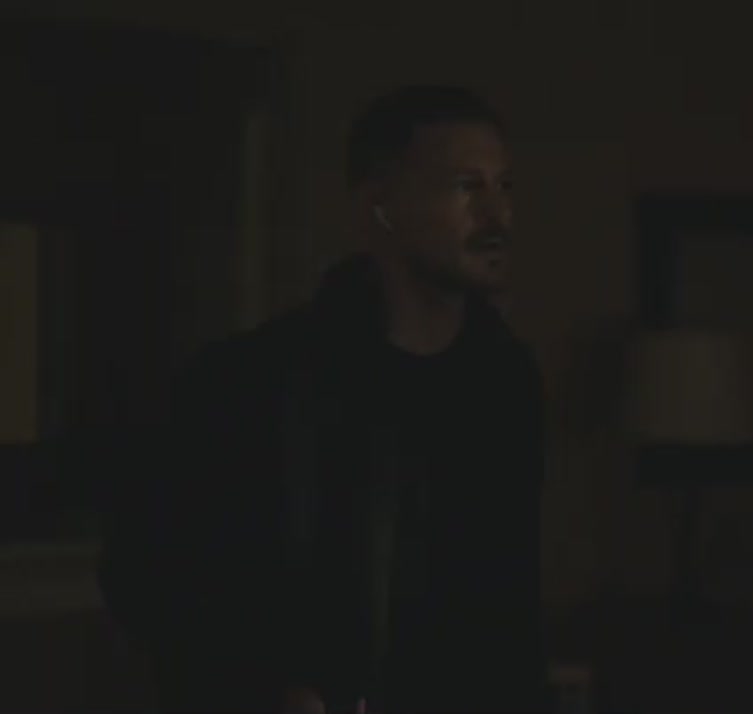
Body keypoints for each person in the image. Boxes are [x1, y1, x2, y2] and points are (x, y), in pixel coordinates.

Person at [99, 86, 551, 713]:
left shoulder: (505, 384)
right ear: (379, 205)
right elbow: (145, 576)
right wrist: (264, 685)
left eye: (504, 186)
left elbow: (509, 604)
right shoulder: (252, 383)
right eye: (465, 186)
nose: (497, 214)